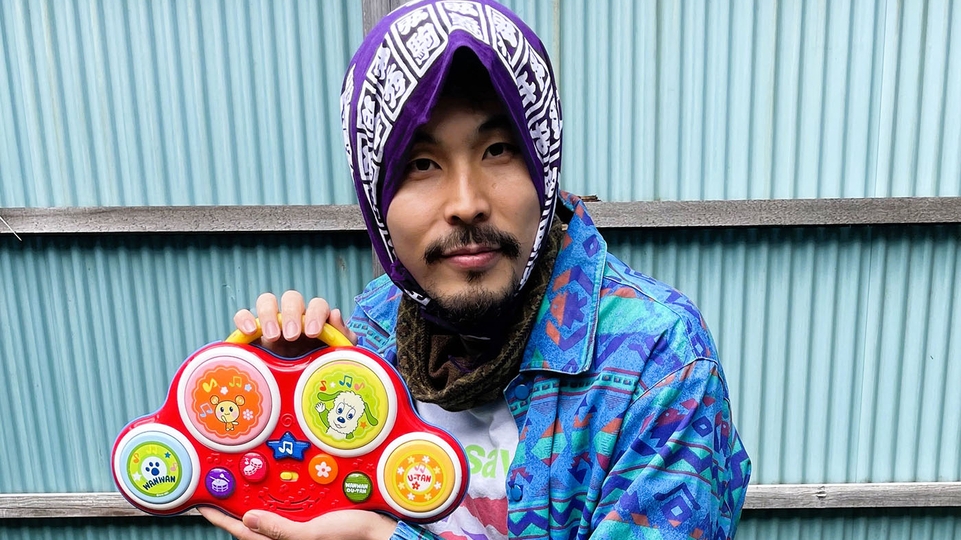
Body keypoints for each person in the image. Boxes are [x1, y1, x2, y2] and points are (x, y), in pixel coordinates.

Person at [199, 1, 751, 539]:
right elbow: (322, 503)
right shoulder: (373, 331)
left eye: (498, 150)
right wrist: (297, 403)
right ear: (375, 195)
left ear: (543, 165)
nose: (466, 203)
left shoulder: (658, 361)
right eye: (421, 164)